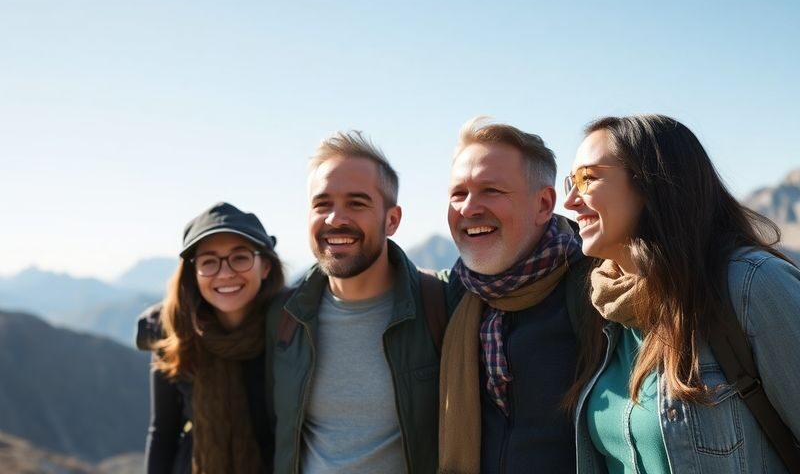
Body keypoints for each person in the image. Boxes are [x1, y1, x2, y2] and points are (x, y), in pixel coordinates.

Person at [563, 114, 800, 473]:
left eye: (587, 179)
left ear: (652, 183)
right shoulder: (605, 310)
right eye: (570, 181)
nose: (570, 201)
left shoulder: (751, 285)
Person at [266, 131, 447, 474]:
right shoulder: (284, 316)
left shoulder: (439, 304)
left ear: (392, 219)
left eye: (356, 203)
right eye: (322, 204)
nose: (335, 218)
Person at [438, 117, 592, 474]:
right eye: (458, 193)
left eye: (491, 190)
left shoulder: (596, 290)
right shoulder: (456, 294)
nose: (469, 208)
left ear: (543, 204)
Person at [137, 202, 285, 474]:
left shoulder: (291, 332)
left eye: (240, 257)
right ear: (193, 274)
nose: (225, 273)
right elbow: (163, 433)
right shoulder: (173, 336)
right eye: (209, 262)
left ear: (265, 266)